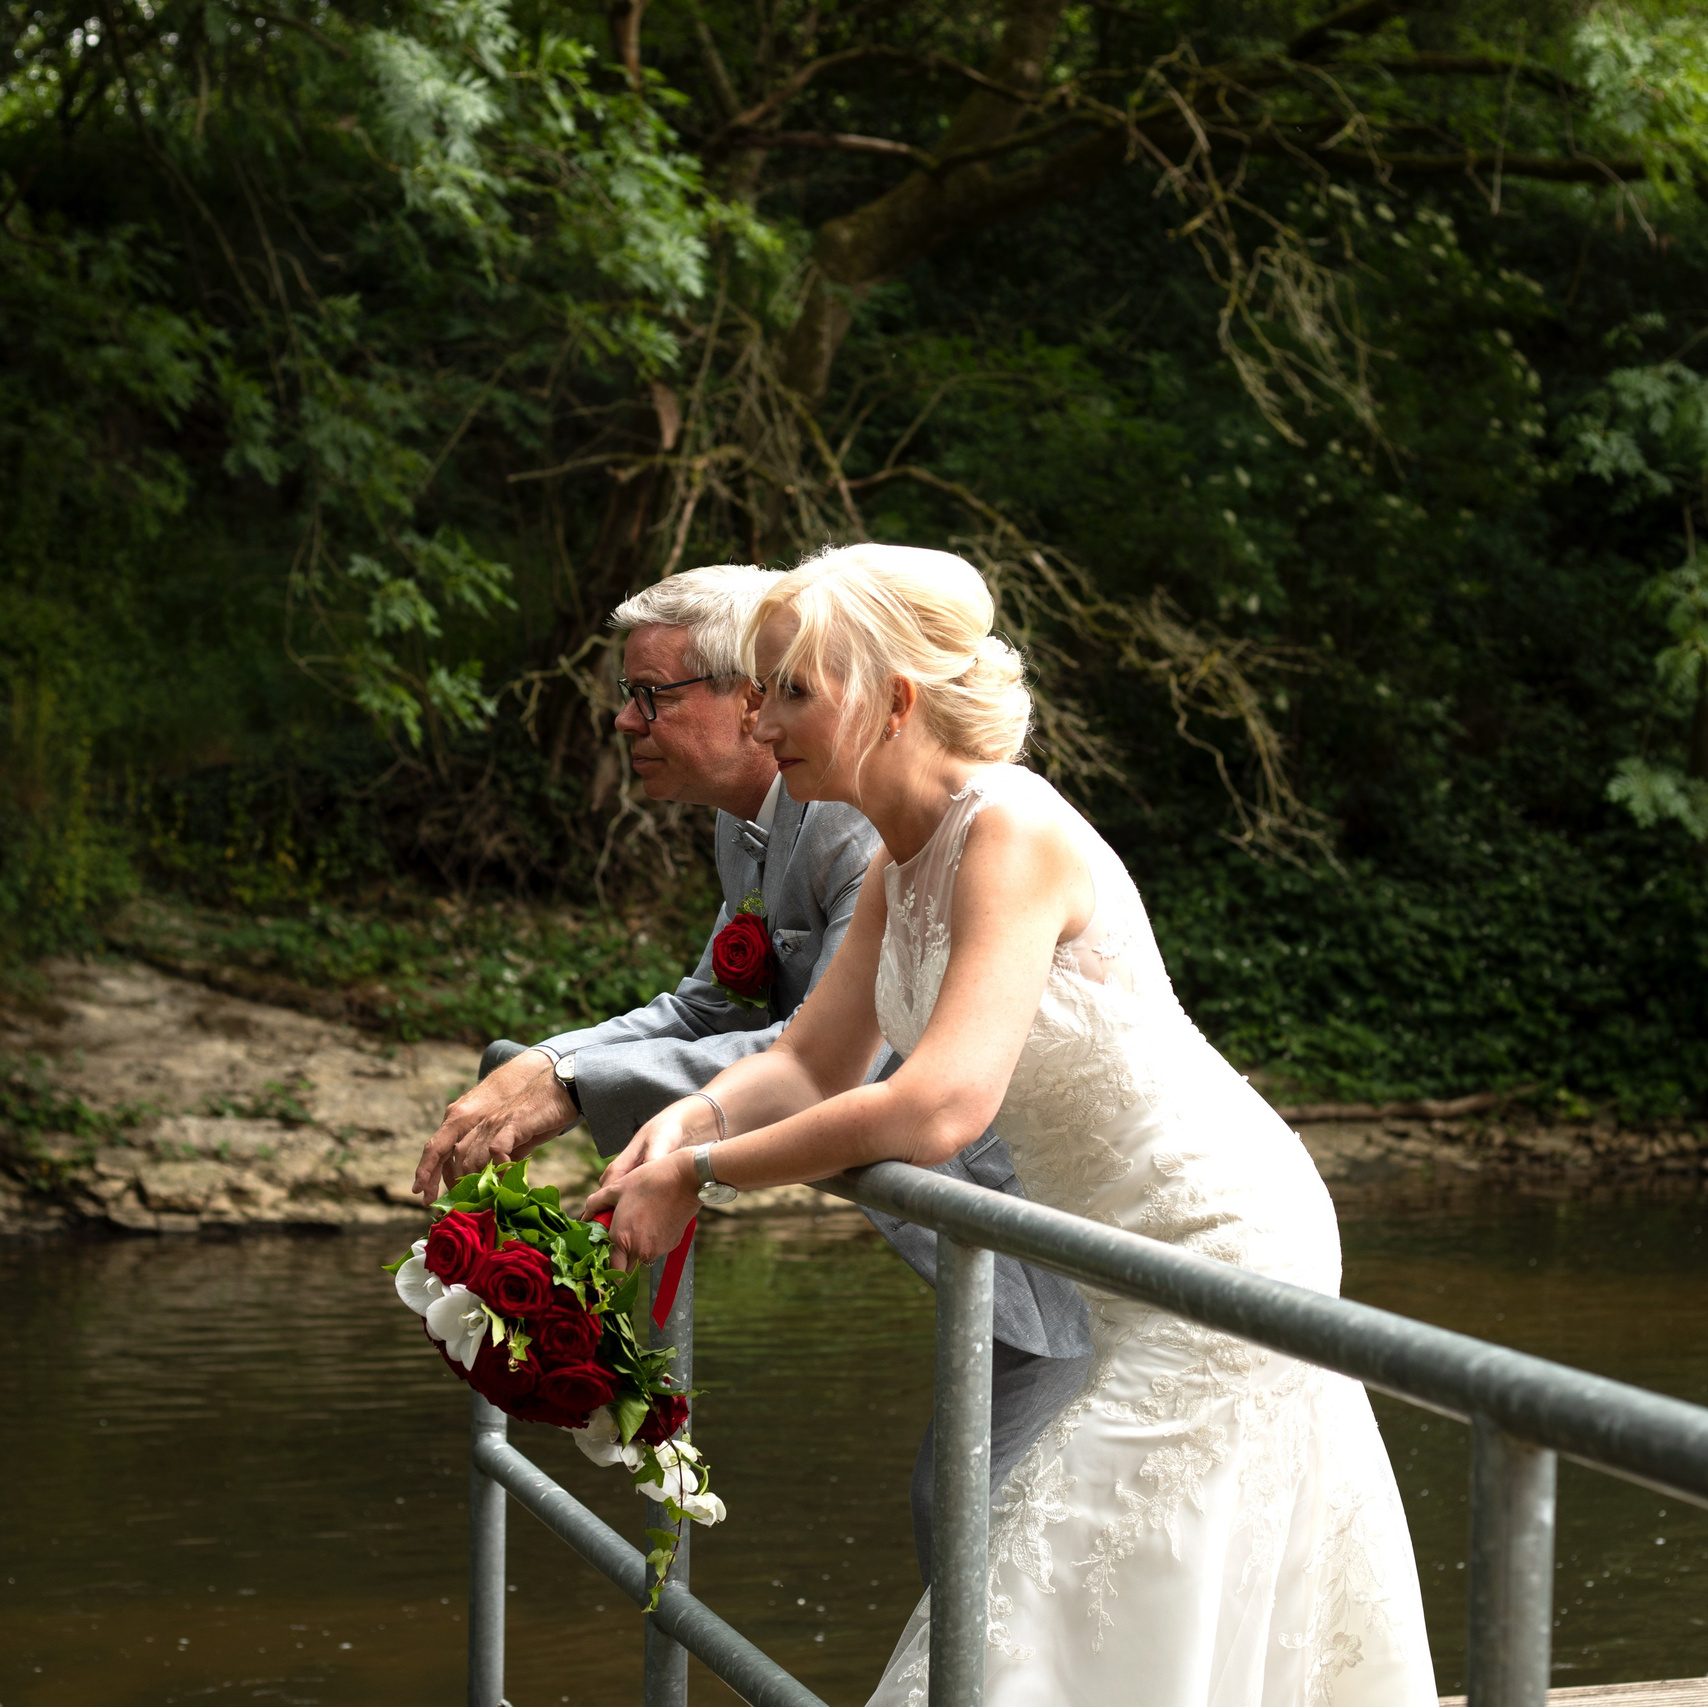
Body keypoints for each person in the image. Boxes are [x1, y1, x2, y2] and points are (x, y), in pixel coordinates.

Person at [585, 545, 1438, 1707]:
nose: (760, 715)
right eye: (759, 686)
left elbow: (939, 1105)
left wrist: (702, 1171)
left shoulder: (1011, 828)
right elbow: (810, 1062)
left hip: (1215, 1233)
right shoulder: (901, 857)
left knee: (1069, 1577)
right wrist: (687, 1119)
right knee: (1129, 1582)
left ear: (890, 696)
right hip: (1111, 1251)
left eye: (791, 688)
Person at [411, 562, 1093, 1580]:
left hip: (1069, 1222)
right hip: (998, 1236)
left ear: (881, 699)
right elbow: (738, 1015)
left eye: (653, 695)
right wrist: (567, 1067)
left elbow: (887, 1070)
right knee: (980, 1530)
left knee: (993, 1533)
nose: (624, 721)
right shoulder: (773, 824)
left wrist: (650, 1132)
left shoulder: (913, 824)